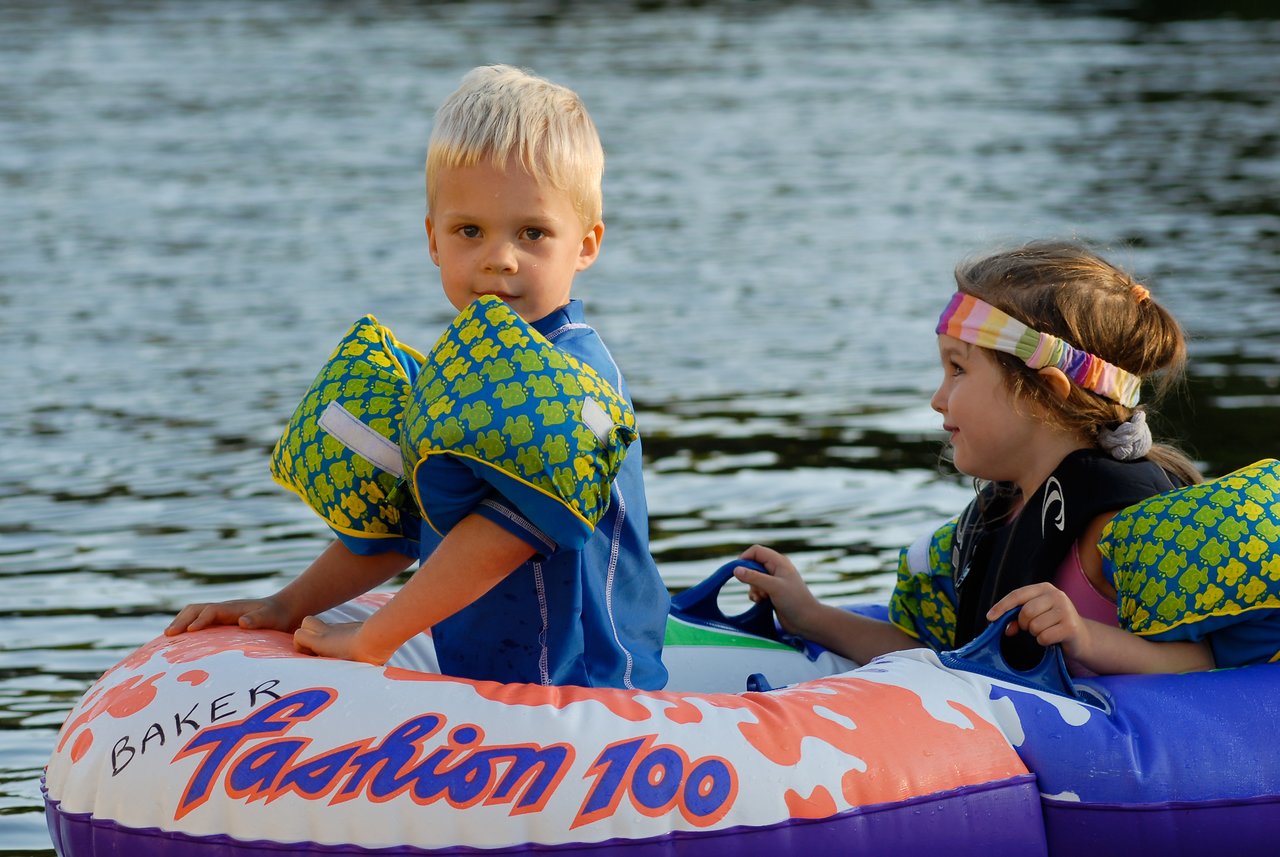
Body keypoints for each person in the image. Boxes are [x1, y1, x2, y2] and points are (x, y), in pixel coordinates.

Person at [167, 64, 670, 691]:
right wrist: (284, 607)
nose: (500, 257)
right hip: (490, 691)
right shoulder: (458, 378)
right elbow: (401, 524)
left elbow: (505, 533)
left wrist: (375, 637)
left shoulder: (576, 379)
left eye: (533, 233)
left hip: (586, 693)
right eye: (470, 231)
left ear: (586, 245)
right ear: (434, 240)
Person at [735, 240, 1222, 677]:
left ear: (1042, 395)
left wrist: (1086, 638)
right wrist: (809, 614)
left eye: (958, 370)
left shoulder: (1117, 528)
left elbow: (1204, 665)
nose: (937, 398)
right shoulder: (999, 511)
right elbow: (944, 657)